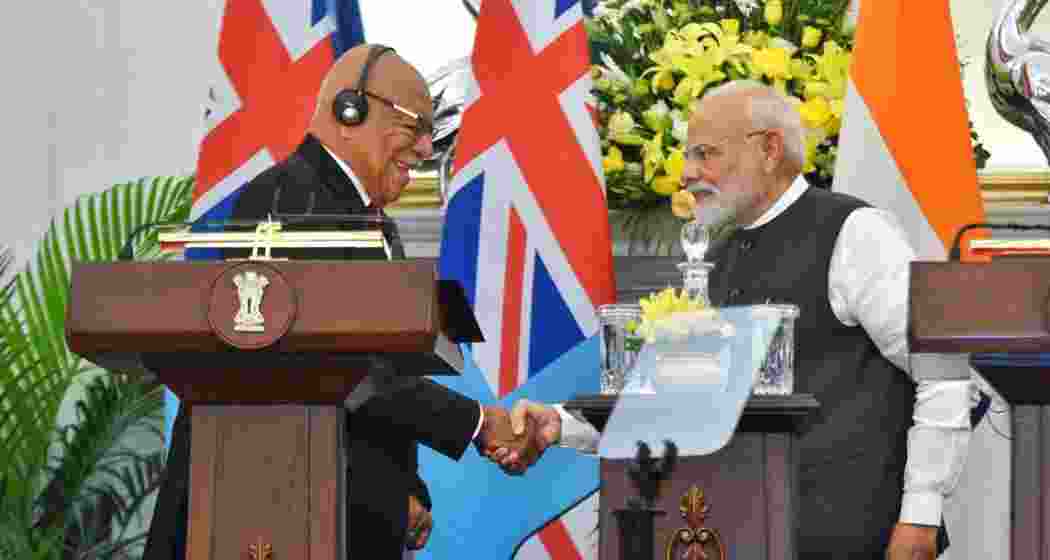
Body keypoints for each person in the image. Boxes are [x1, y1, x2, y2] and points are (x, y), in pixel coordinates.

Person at [487, 81, 975, 560]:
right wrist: (561, 424)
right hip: (736, 532)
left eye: (704, 154)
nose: (685, 173)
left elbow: (944, 373)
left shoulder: (855, 232)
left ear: (769, 148)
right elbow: (680, 402)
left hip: (853, 537)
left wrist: (920, 513)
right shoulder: (714, 259)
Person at [143, 44, 538, 560]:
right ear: (349, 111)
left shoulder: (365, 219)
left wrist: (403, 489)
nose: (426, 148)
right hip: (260, 514)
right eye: (416, 126)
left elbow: (372, 366)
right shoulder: (292, 199)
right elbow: (321, 365)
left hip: (335, 514)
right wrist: (476, 424)